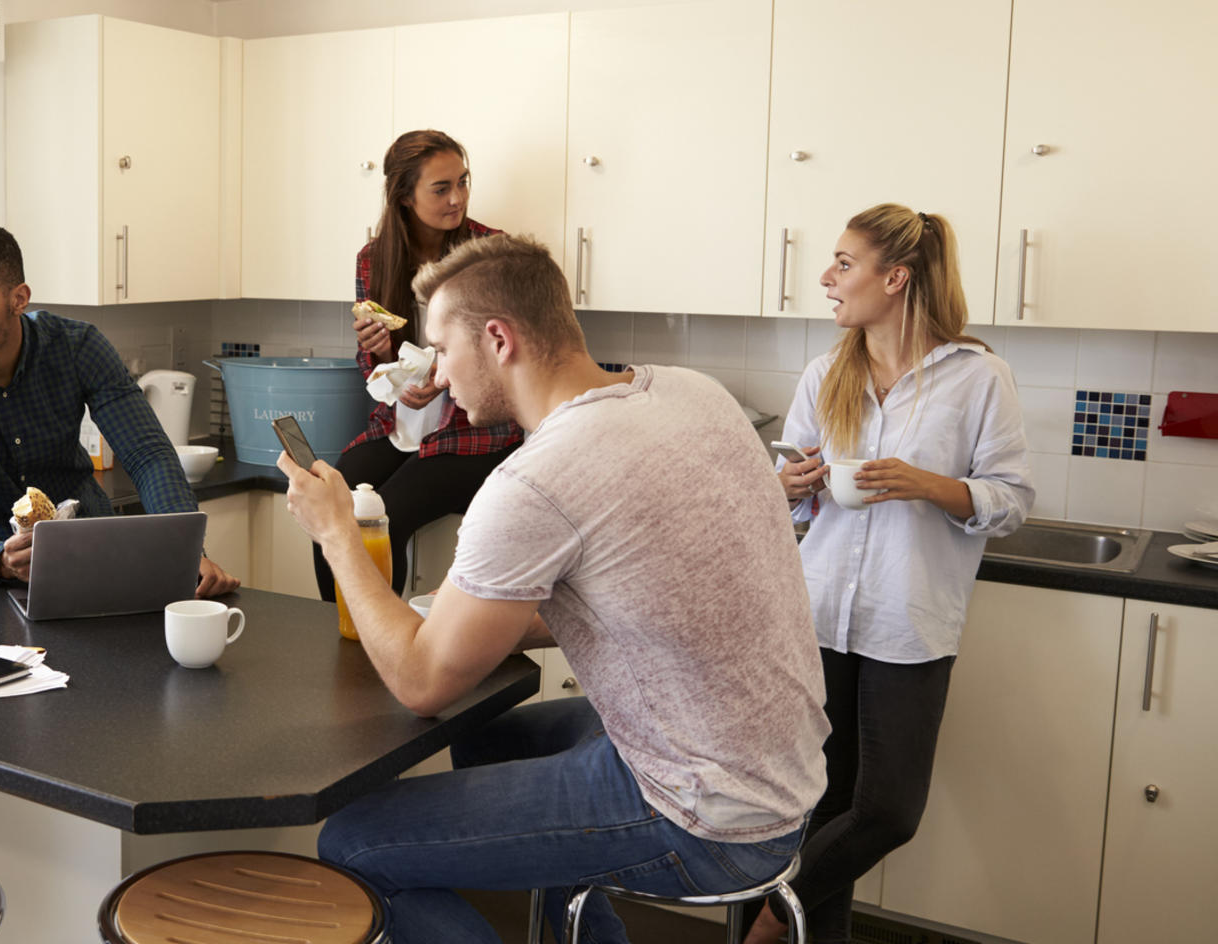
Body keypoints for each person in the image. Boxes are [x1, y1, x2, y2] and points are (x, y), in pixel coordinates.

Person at [279, 233, 829, 943]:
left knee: (352, 846)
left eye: (443, 351)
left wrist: (337, 536)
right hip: (783, 773)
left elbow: (420, 682)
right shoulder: (694, 392)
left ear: (499, 339)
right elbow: (641, 592)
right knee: (487, 739)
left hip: (706, 816)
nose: (438, 377)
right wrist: (462, 621)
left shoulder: (538, 479)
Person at [748, 204, 1032, 944]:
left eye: (844, 263)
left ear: (896, 278)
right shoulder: (825, 373)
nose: (826, 277)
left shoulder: (978, 378)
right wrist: (789, 491)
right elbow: (793, 513)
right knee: (823, 807)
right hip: (817, 617)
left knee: (887, 813)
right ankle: (807, 928)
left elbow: (1012, 497)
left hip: (909, 623)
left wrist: (929, 484)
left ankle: (766, 922)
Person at [0, 221, 237, 595]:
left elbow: (147, 454)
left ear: (18, 299)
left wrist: (184, 548)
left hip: (92, 548)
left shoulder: (77, 346)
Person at [311, 129, 522, 602]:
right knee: (331, 504)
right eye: (441, 188)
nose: (458, 198)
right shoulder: (374, 260)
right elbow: (376, 371)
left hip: (473, 436)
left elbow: (510, 354)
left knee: (387, 515)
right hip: (397, 427)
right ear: (405, 196)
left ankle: (390, 648)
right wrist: (382, 355)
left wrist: (445, 379)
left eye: (463, 182)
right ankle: (341, 637)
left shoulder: (493, 254)